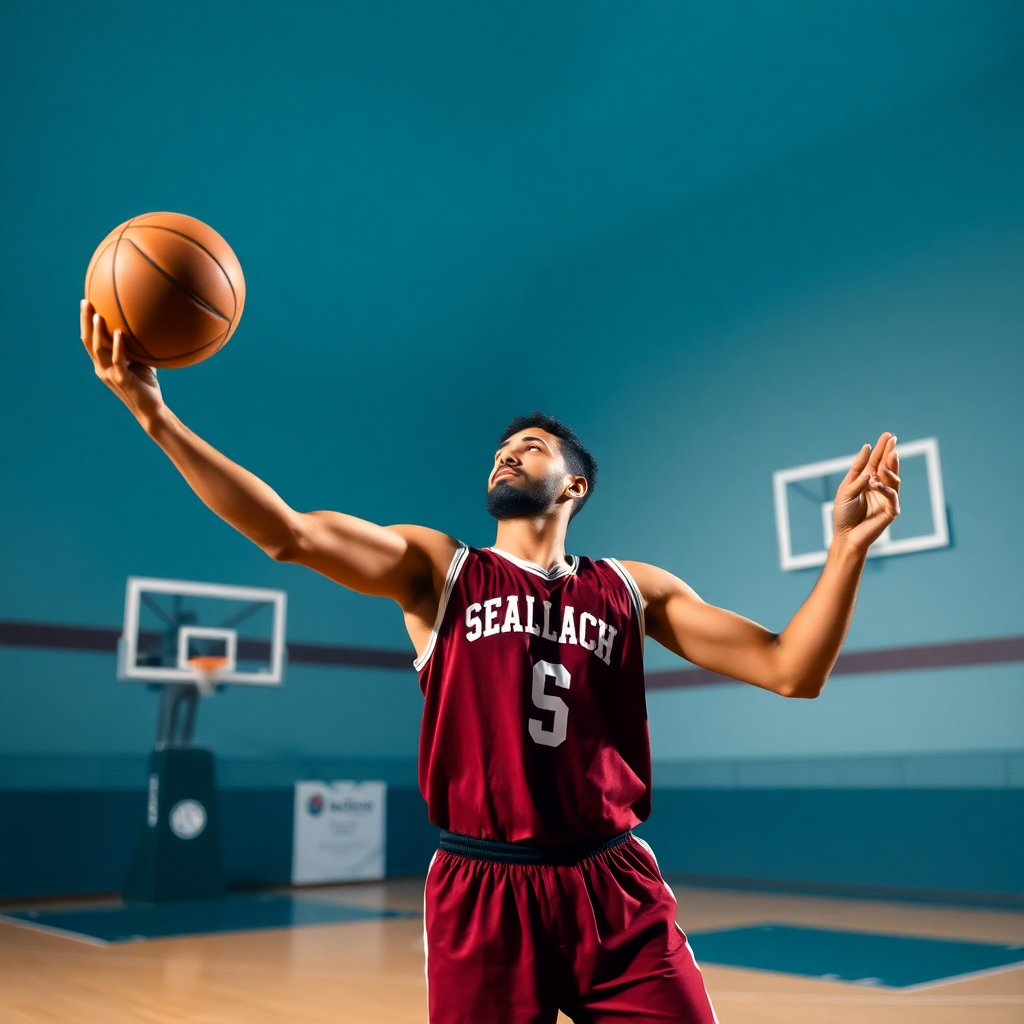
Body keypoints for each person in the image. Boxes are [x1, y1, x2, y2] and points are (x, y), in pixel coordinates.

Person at [81, 301, 900, 1024]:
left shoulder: (631, 589)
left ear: (575, 486)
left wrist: (847, 550)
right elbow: (287, 533)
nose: (508, 455)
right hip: (484, 886)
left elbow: (793, 669)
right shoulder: (441, 572)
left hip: (611, 887)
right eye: (503, 449)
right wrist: (156, 417)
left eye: (533, 447)